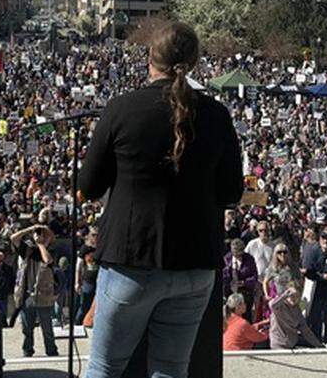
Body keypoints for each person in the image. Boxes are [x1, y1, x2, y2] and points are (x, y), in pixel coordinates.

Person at [79, 21, 243, 378]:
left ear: (150, 59)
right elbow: (231, 192)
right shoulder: (216, 115)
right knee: (171, 369)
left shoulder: (121, 109)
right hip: (194, 264)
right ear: (194, 62)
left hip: (130, 260)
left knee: (104, 367)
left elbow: (89, 186)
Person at [10, 224, 59, 358]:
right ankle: (27, 350)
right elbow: (13, 238)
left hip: (43, 295)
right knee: (27, 328)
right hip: (26, 295)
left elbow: (48, 260)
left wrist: (41, 243)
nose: (38, 235)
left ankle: (51, 350)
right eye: (37, 234)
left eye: (41, 233)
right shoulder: (27, 249)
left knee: (47, 328)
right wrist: (30, 229)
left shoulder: (49, 249)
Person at [268, 283, 323, 350]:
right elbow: (272, 305)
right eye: (292, 296)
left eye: (297, 296)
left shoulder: (297, 310)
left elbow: (305, 330)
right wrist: (285, 294)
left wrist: (319, 345)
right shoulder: (279, 306)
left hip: (291, 344)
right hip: (278, 344)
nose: (294, 298)